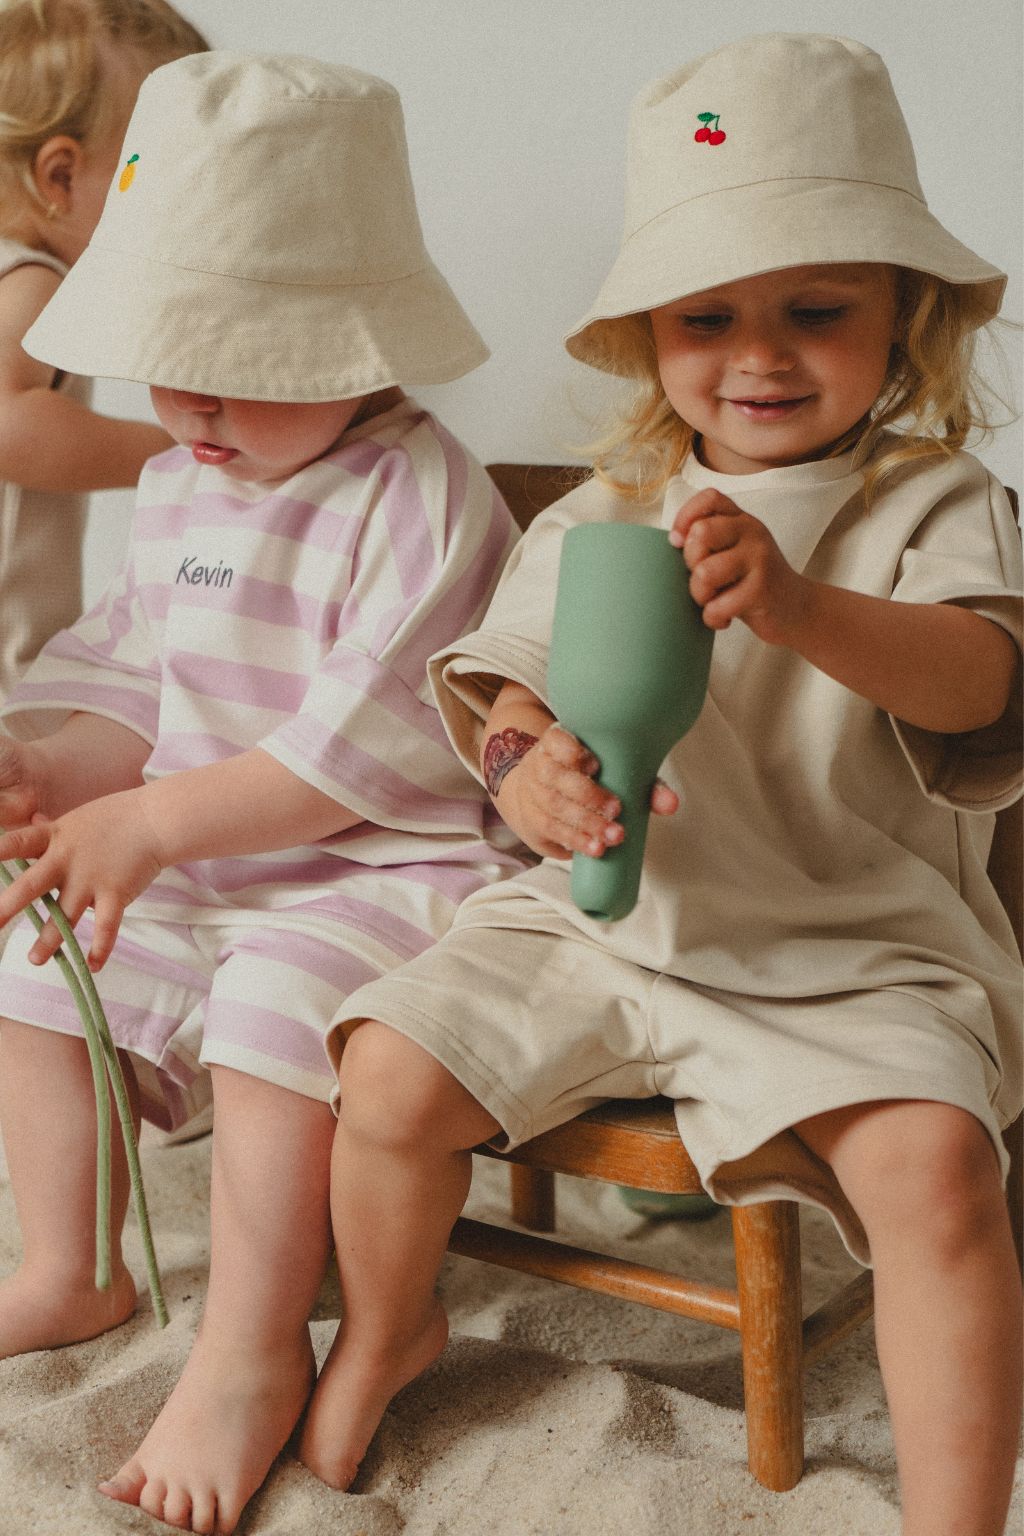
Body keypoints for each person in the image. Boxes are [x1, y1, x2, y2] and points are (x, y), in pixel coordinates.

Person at [297, 34, 1023, 1536]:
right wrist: (525, 772)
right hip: (602, 925)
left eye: (813, 311)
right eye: (709, 318)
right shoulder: (606, 512)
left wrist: (800, 605)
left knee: (943, 1174)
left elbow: (983, 679)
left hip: (846, 950)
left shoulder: (934, 503)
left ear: (908, 312)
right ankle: (389, 1324)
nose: (758, 357)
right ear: (645, 335)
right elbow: (506, 689)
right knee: (381, 1078)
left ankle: (955, 1517)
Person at [0, 51, 521, 1535]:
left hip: (385, 875)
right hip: (213, 862)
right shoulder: (178, 482)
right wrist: (56, 773)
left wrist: (156, 822)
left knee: (270, 1004)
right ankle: (71, 1262)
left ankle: (246, 1347)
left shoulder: (420, 493)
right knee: (34, 957)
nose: (194, 401)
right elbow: (138, 691)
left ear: (356, 346)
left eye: (242, 364)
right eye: (170, 357)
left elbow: (360, 748)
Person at [0, 0, 208, 705]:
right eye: (160, 168)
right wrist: (173, 449)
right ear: (61, 179)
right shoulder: (31, 277)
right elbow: (9, 424)